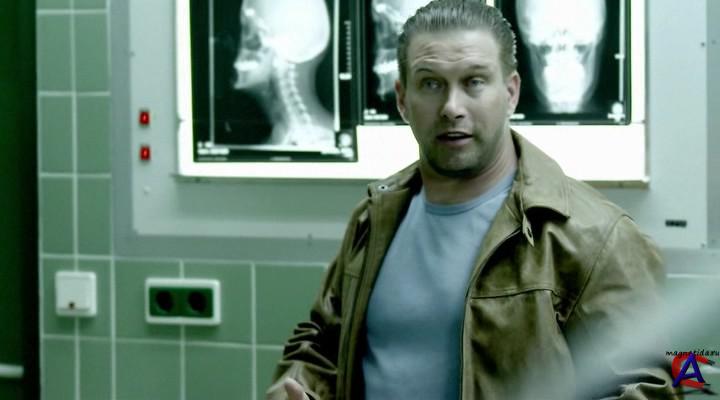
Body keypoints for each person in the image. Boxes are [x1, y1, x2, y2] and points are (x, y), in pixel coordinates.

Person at [266, 1, 677, 399]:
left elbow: (654, 385)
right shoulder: (375, 218)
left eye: (474, 82)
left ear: (511, 92)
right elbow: (321, 342)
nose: (452, 107)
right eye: (431, 84)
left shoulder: (596, 237)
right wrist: (298, 387)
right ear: (402, 99)